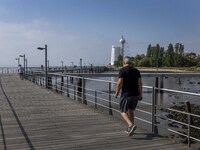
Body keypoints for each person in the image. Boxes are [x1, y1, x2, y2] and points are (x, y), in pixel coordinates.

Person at [115, 56, 142, 136]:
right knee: (131, 111)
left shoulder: (122, 70)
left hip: (126, 94)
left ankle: (131, 125)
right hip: (135, 95)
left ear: (124, 63)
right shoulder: (136, 71)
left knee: (122, 111)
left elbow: (120, 82)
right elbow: (140, 83)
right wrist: (140, 94)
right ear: (131, 63)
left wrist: (117, 92)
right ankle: (131, 129)